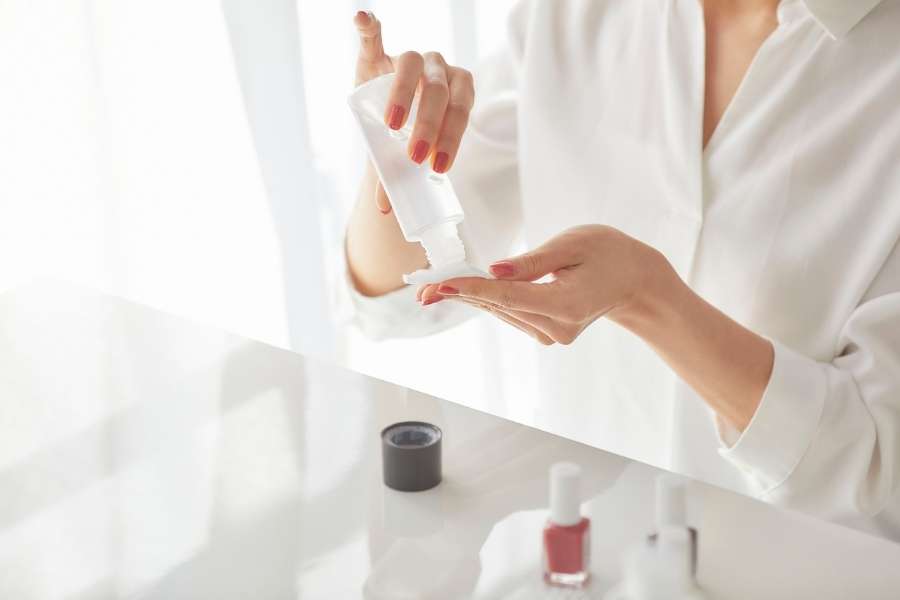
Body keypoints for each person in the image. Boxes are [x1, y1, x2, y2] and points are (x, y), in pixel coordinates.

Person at [343, 0, 900, 537]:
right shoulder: (574, 13)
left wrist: (651, 299)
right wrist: (392, 153)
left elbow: (873, 464)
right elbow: (389, 301)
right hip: (593, 553)